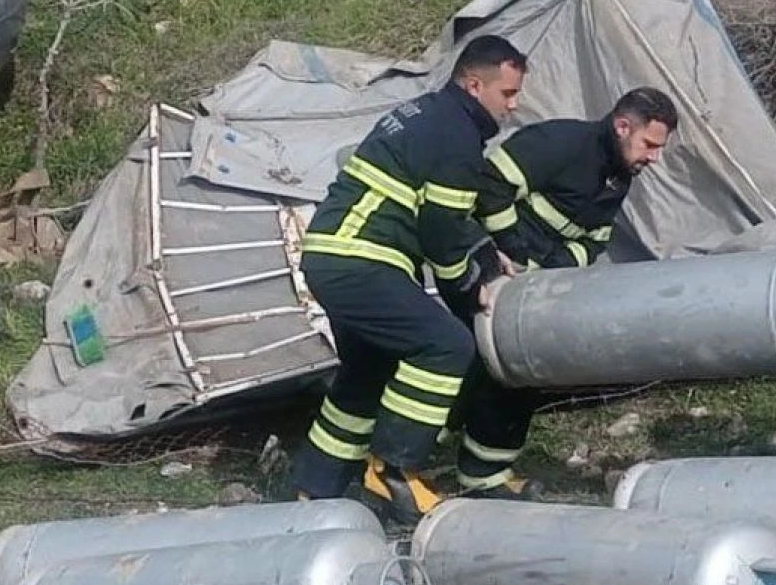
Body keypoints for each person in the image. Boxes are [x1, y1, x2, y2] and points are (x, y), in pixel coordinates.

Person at [289, 34, 526, 524]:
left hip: (336, 253)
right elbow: (441, 230)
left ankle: (316, 490)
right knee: (445, 346)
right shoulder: (456, 135)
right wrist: (469, 283)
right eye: (507, 94)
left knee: (365, 373)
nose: (514, 105)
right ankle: (395, 471)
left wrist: (483, 252)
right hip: (361, 257)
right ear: (474, 83)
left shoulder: (430, 114)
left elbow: (446, 216)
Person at [448, 88, 678, 498]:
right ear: (622, 126)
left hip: (531, 289)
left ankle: (484, 476)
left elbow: (594, 239)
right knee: (458, 364)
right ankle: (410, 459)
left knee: (518, 375)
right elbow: (489, 185)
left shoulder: (618, 175)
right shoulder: (560, 143)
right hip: (484, 274)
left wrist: (551, 270)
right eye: (649, 145)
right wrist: (512, 251)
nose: (654, 158)